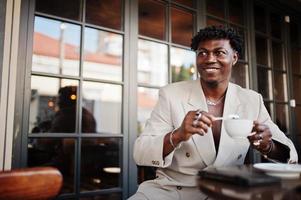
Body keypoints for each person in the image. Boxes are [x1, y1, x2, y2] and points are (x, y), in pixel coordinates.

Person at [129, 26, 298, 200]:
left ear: (234, 57)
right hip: (171, 191)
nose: (209, 59)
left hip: (227, 192)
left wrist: (267, 145)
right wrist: (178, 135)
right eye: (202, 53)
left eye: (219, 52)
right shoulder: (171, 94)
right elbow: (140, 152)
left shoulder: (251, 100)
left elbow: (289, 153)